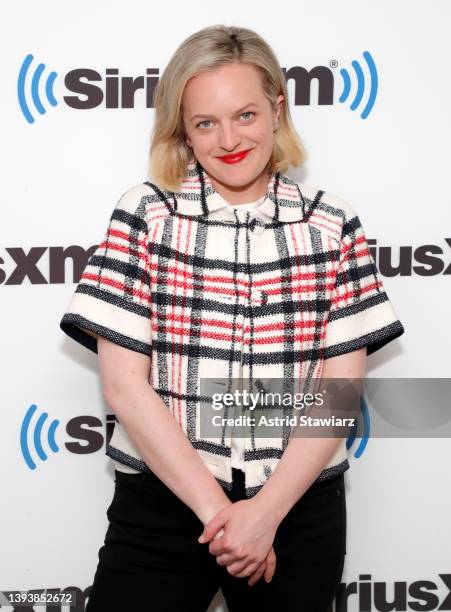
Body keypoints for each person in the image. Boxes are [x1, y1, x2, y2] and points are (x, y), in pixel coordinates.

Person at [59, 24, 405, 612]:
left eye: (245, 115)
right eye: (205, 123)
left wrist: (265, 515)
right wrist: (224, 519)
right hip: (166, 506)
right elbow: (123, 384)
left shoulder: (332, 223)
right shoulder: (143, 214)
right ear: (183, 133)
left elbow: (338, 391)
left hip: (296, 510)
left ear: (277, 111)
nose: (228, 139)